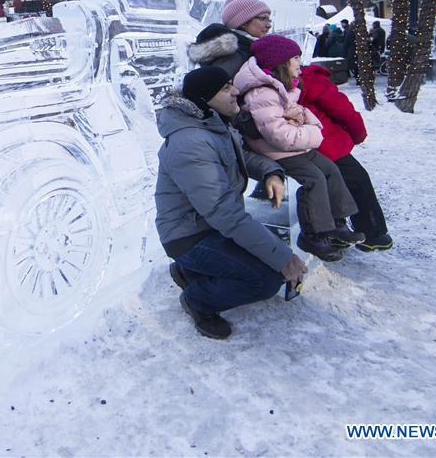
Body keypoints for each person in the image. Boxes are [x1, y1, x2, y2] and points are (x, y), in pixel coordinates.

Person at [155, 66, 307, 339]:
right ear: (204, 98)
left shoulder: (211, 124)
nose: (236, 91)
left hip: (210, 226)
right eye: (226, 88)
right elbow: (223, 212)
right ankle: (197, 299)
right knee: (266, 279)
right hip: (189, 236)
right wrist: (284, 258)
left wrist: (271, 171)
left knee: (265, 257)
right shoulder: (190, 142)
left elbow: (239, 157)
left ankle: (189, 271)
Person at [232, 34, 364, 262]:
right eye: (295, 58)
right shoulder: (262, 93)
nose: (300, 64)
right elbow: (278, 135)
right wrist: (311, 132)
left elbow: (297, 111)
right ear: (281, 63)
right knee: (314, 178)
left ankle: (338, 221)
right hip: (274, 150)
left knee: (330, 169)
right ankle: (313, 234)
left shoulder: (280, 86)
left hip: (295, 145)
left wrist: (303, 120)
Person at [299, 63, 393, 251]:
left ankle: (336, 229)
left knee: (331, 183)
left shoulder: (280, 79)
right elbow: (343, 110)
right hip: (325, 142)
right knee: (356, 180)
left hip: (304, 143)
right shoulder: (311, 79)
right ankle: (371, 232)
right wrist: (358, 134)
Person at [188, 0, 272, 77]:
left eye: (269, 20)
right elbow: (218, 84)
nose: (269, 25)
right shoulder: (237, 52)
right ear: (243, 23)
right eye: (263, 19)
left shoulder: (244, 48)